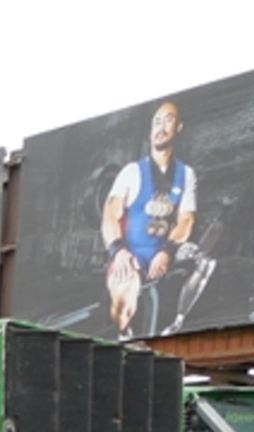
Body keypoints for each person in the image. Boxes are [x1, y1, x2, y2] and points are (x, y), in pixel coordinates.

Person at [100, 100, 197, 338]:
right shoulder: (131, 172)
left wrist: (167, 251)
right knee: (126, 289)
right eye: (156, 122)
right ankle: (125, 336)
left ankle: (177, 323)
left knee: (205, 262)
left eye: (168, 120)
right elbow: (110, 215)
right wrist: (118, 251)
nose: (161, 127)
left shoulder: (186, 174)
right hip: (132, 255)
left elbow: (187, 219)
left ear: (179, 127)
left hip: (166, 251)